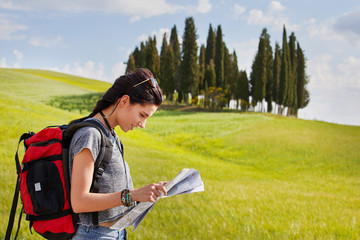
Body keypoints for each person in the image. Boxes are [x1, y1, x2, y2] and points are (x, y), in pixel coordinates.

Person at [68, 68, 167, 240]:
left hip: (115, 233)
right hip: (93, 235)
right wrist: (132, 194)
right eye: (142, 115)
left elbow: (114, 194)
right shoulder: (90, 135)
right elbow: (79, 202)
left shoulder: (112, 136)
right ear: (124, 101)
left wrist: (146, 193)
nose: (142, 124)